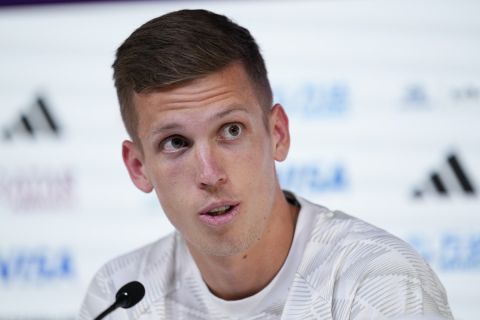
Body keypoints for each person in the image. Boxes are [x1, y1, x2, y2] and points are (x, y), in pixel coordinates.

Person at [79, 9, 453, 320]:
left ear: (277, 133)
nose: (210, 175)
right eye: (175, 143)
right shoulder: (121, 299)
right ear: (138, 167)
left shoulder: (378, 283)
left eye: (230, 130)